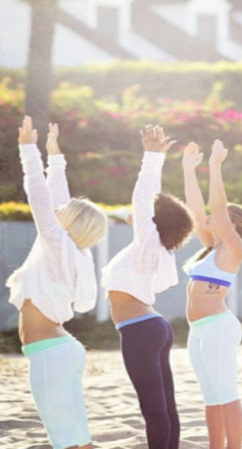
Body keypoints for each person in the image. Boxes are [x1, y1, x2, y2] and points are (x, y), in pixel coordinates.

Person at [7, 116, 108, 449]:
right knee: (77, 437)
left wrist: (28, 150)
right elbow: (56, 199)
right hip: (59, 351)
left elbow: (39, 196)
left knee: (65, 439)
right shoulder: (71, 252)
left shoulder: (57, 245)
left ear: (68, 223)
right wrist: (55, 157)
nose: (57, 211)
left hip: (51, 353)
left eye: (63, 211)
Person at [102, 125, 194, 449]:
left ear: (153, 222)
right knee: (163, 406)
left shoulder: (148, 246)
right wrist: (157, 161)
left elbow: (143, 201)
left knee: (154, 409)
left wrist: (151, 157)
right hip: (150, 327)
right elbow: (146, 207)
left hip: (140, 329)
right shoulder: (155, 249)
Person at [182, 139, 242, 449]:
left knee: (226, 393)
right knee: (211, 395)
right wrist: (188, 169)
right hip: (198, 329)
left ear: (231, 224)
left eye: (219, 218)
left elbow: (217, 210)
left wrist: (214, 166)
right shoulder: (212, 248)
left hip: (218, 328)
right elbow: (196, 212)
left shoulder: (233, 249)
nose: (208, 220)